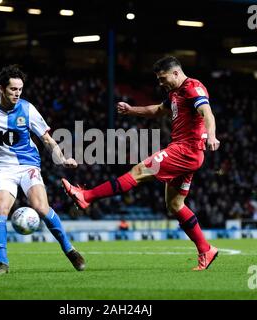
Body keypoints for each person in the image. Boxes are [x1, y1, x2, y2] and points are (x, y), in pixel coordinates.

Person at [62, 56, 220, 271]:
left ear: (175, 73)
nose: (160, 83)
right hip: (186, 152)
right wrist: (130, 110)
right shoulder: (175, 93)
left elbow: (207, 112)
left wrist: (211, 135)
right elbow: (156, 110)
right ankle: (206, 250)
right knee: (175, 205)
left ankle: (86, 196)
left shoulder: (193, 88)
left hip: (186, 150)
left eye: (163, 78)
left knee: (138, 170)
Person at [0, 65, 85, 275]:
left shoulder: (28, 109)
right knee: (1, 208)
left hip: (28, 165)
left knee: (41, 207)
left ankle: (70, 250)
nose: (17, 93)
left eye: (20, 89)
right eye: (13, 89)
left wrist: (62, 159)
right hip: (3, 167)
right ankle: (2, 263)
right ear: (1, 88)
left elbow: (46, 139)